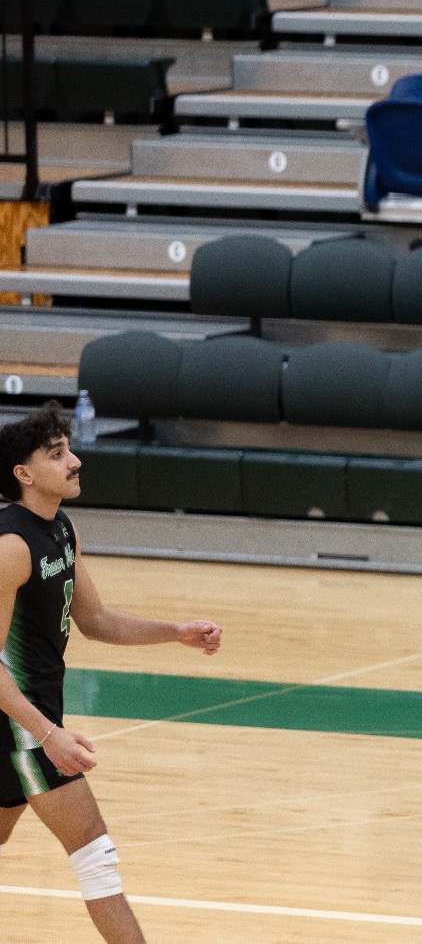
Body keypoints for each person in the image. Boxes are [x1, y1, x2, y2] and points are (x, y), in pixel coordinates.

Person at [0, 402, 224, 944]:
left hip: (31, 721)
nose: (74, 461)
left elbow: (96, 619)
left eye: (70, 449)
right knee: (95, 854)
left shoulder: (61, 529)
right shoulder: (10, 547)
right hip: (21, 724)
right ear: (23, 475)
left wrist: (176, 631)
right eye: (58, 455)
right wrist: (47, 734)